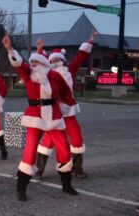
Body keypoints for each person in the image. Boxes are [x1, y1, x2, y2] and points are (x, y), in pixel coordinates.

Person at [2, 34, 78, 201]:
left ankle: (66, 185)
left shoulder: (54, 76)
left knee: (64, 149)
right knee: (29, 151)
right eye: (32, 63)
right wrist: (9, 48)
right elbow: (19, 63)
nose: (33, 65)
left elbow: (66, 93)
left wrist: (65, 106)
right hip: (35, 116)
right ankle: (21, 188)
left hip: (53, 115)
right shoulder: (29, 74)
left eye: (36, 63)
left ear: (44, 64)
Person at [35, 32, 97, 180]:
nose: (55, 60)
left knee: (76, 139)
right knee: (48, 141)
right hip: (53, 111)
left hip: (68, 110)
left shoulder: (71, 70)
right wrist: (39, 51)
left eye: (58, 59)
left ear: (62, 60)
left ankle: (77, 169)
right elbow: (37, 63)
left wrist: (90, 41)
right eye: (53, 59)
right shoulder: (47, 72)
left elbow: (81, 56)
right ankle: (39, 170)